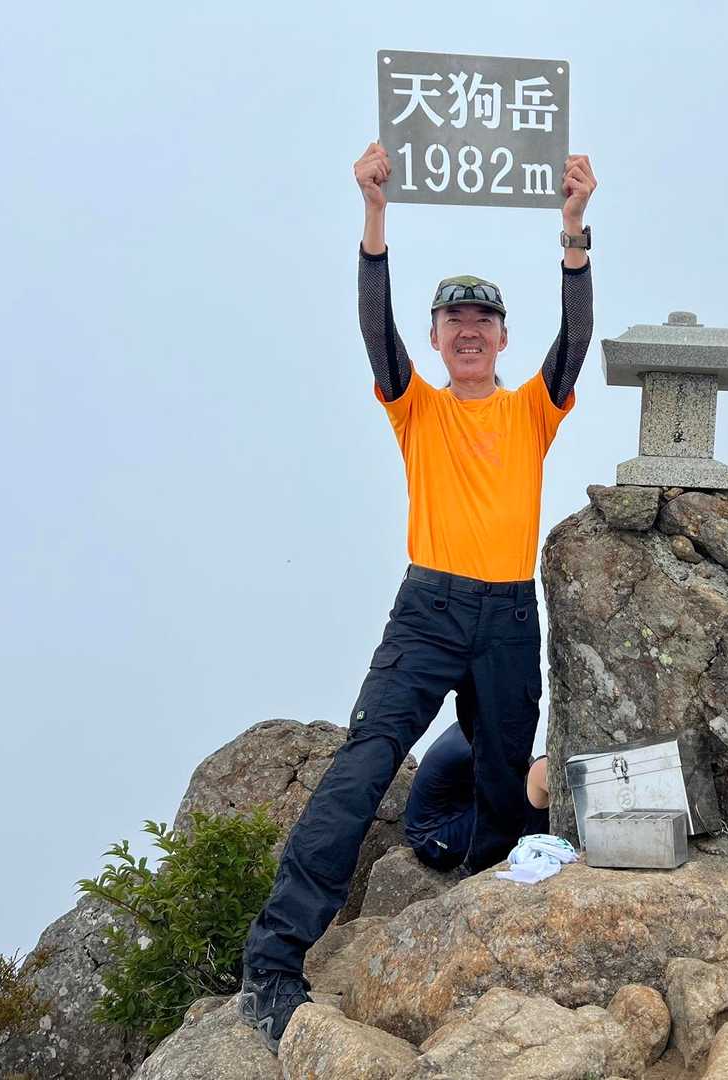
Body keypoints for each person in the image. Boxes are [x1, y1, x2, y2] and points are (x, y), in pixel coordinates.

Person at [237, 140, 596, 1054]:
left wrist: (573, 232)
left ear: (502, 338)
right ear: (436, 339)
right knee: (363, 766)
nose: (468, 330)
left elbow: (576, 339)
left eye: (483, 319)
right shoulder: (415, 405)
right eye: (453, 319)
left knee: (505, 780)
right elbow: (374, 329)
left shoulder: (533, 408)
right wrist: (373, 215)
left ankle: (477, 909)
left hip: (508, 616)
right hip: (428, 609)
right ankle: (272, 965)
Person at [406, 718, 550, 873]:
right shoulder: (475, 746)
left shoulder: (474, 724)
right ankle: (533, 853)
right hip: (433, 841)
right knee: (512, 801)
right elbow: (513, 783)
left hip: (454, 814)